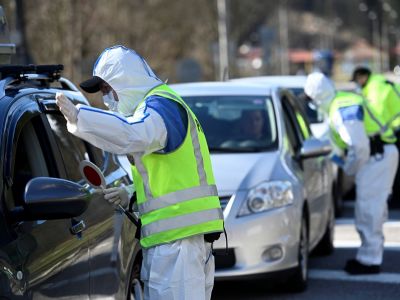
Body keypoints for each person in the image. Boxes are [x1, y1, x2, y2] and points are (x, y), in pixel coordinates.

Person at [55, 45, 224, 300]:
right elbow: (170, 177)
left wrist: (81, 119)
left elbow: (132, 135)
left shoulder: (160, 107)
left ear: (125, 81)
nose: (106, 98)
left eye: (106, 89)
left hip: (179, 246)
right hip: (178, 242)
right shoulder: (158, 106)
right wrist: (131, 194)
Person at [304, 72, 398, 275]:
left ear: (317, 97)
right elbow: (340, 145)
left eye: (311, 100)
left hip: (376, 157)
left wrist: (349, 170)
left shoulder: (342, 108)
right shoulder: (337, 105)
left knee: (369, 210)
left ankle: (369, 261)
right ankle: (369, 256)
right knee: (372, 209)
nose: (311, 105)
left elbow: (359, 146)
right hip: (376, 156)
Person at [352, 66, 400, 208]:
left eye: (357, 80)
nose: (356, 84)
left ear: (363, 77)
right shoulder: (378, 83)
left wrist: (377, 135)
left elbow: (376, 115)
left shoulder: (374, 88)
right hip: (396, 128)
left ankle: (396, 201)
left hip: (397, 129)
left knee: (396, 169)